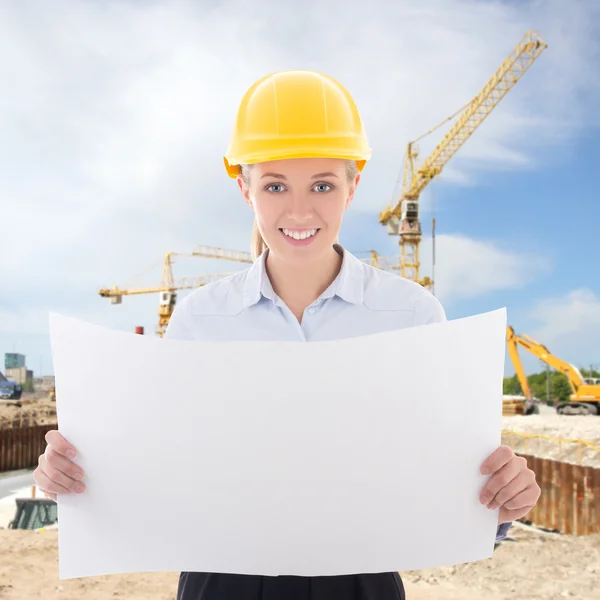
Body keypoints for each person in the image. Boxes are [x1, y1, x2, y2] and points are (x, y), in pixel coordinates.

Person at [34, 70, 541, 600]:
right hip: (220, 578)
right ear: (244, 189)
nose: (299, 211)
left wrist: (498, 505)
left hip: (360, 581)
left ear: (353, 188)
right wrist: (69, 477)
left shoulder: (412, 314)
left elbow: (445, 481)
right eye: (275, 185)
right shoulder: (199, 318)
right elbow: (155, 467)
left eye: (322, 185)